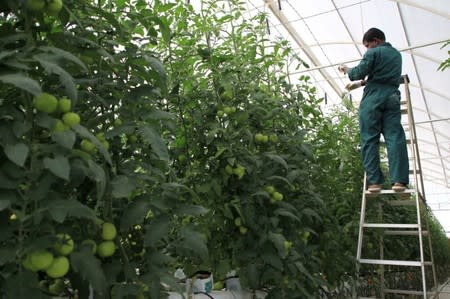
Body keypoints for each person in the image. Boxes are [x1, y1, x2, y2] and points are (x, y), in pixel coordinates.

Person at [338, 28, 409, 193]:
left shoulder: (373, 53)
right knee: (395, 137)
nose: (367, 49)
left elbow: (358, 73)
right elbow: (381, 75)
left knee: (369, 139)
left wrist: (347, 70)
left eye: (368, 45)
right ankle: (399, 181)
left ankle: (375, 183)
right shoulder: (396, 55)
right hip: (392, 96)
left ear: (375, 41)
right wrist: (363, 82)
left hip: (373, 98)